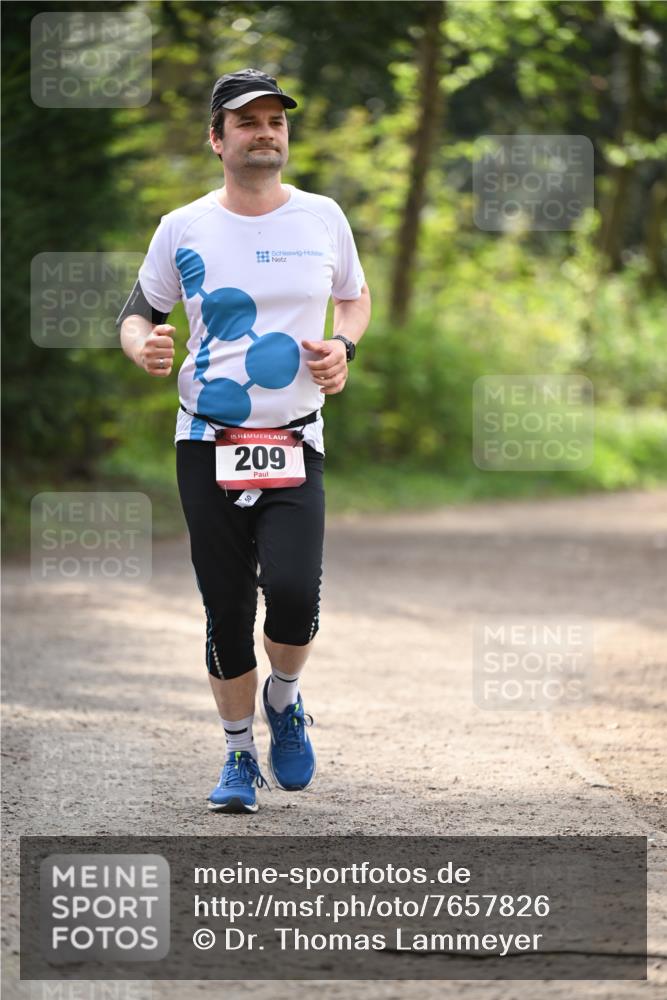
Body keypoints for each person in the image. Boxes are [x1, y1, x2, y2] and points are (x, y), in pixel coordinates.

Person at [118, 68, 371, 814]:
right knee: (225, 606)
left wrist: (343, 348)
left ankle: (283, 700)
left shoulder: (323, 217)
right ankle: (237, 755)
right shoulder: (184, 226)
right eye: (248, 121)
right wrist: (143, 346)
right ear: (217, 138)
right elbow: (138, 312)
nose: (265, 132)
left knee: (292, 596)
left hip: (295, 437)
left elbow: (351, 298)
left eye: (276, 122)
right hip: (206, 438)